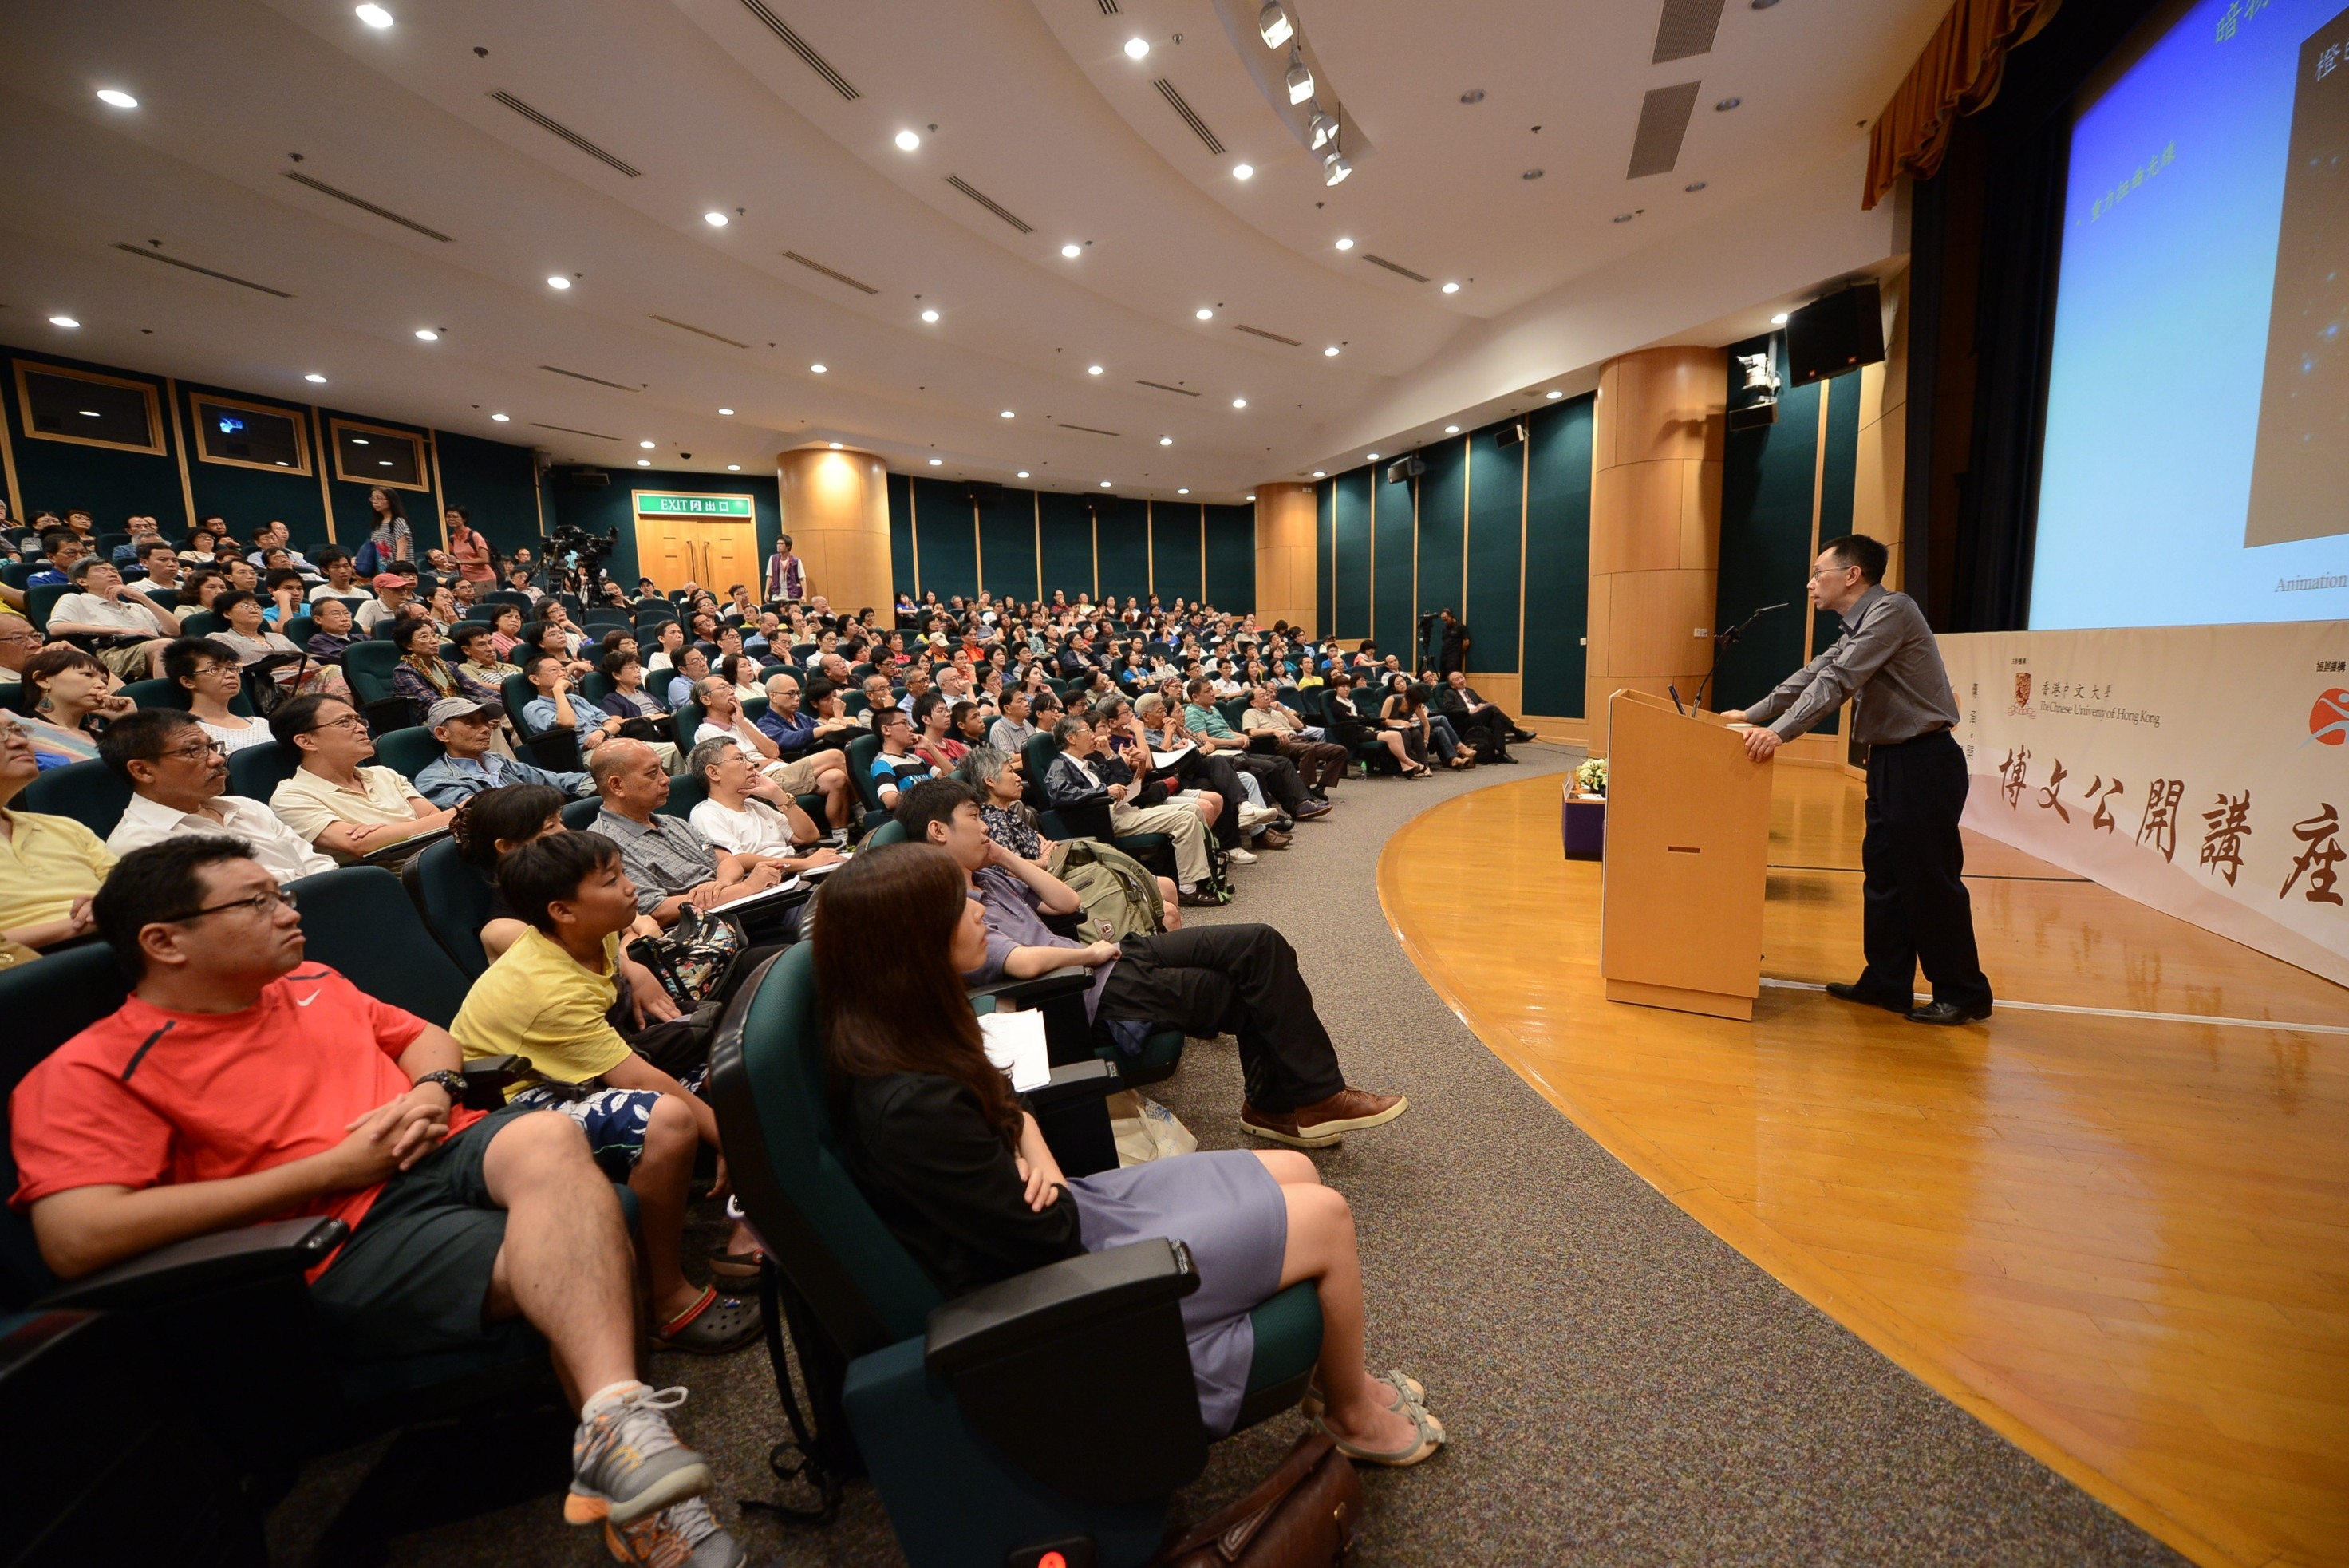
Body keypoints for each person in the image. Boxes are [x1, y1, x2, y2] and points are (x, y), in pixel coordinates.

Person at [8, 836, 743, 1563]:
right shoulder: (91, 1070)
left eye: (283, 894)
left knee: (551, 1138)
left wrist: (434, 1088)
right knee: (576, 1251)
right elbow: (77, 1235)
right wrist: (331, 1166)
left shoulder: (311, 980)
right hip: (339, 1229)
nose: (290, 912)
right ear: (166, 941)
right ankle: (651, 1498)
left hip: (448, 1150)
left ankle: (615, 1422)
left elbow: (426, 1037)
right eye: (258, 901)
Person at [816, 844, 1443, 1461]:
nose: (980, 906)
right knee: (1326, 1214)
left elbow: (1014, 1112)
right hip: (1066, 1281)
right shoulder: (910, 1105)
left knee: (1298, 1167)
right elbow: (1048, 1222)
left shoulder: (913, 1029)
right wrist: (1027, 1145)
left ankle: (1325, 1376)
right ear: (911, 942)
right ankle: (1351, 1411)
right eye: (959, 904)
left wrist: (1025, 1145)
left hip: (1074, 1213)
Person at [899, 780, 1405, 1147]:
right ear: (939, 831)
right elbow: (1022, 961)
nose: (986, 826)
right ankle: (1287, 1104)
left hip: (1110, 956)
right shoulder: (941, 904)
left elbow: (1067, 903)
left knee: (1259, 944)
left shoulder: (988, 878)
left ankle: (1297, 1100)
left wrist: (1006, 859)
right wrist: (1087, 953)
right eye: (975, 818)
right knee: (1240, 991)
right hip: (1081, 984)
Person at [449, 829, 764, 1354]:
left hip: (579, 1070)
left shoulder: (593, 933)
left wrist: (633, 966)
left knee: (735, 1070)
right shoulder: (546, 990)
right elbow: (639, 1081)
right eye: (612, 880)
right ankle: (661, 1298)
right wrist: (730, 1138)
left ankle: (746, 1228)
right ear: (563, 910)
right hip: (511, 1105)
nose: (631, 886)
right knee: (664, 1118)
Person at [1724, 534, 1992, 1026]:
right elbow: (1813, 674)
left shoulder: (1892, 611)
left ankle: (1964, 991)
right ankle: (1887, 983)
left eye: (1817, 573)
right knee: (1886, 877)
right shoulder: (1856, 625)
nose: (1810, 584)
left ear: (1852, 575)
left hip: (1924, 762)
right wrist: (1750, 713)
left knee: (1931, 882)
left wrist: (1778, 734)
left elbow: (1839, 681)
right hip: (1891, 762)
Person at [99, 708, 334, 881]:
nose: (217, 759)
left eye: (212, 747)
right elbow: (239, 905)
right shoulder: (141, 844)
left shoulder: (246, 808)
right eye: (194, 751)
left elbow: (320, 865)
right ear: (143, 770)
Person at [586, 739, 794, 929]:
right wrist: (746, 888)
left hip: (747, 906)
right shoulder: (604, 844)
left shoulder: (672, 822)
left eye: (662, 769)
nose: (666, 779)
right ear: (617, 785)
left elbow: (727, 860)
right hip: (711, 932)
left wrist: (722, 884)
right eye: (652, 773)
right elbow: (657, 911)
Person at [1038, 718, 1218, 902]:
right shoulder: (1060, 765)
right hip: (1104, 819)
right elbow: (1059, 795)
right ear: (1071, 738)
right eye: (1086, 730)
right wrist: (1104, 790)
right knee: (1185, 820)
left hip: (1124, 811)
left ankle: (1203, 874)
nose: (1093, 735)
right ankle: (1188, 889)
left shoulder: (1088, 765)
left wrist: (1109, 754)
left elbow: (1124, 781)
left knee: (1193, 808)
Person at [268, 694, 456, 863]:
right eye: (344, 722)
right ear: (307, 741)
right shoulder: (291, 797)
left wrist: (386, 833)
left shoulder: (384, 774)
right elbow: (363, 845)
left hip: (440, 862)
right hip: (393, 884)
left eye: (359, 720)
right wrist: (459, 813)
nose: (361, 728)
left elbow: (435, 818)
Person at [0, 716, 117, 962]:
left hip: (118, 946)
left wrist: (109, 910)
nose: (19, 742)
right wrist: (82, 924)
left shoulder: (65, 826)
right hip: (26, 974)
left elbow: (134, 894)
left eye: (18, 730)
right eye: (1, 735)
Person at [693, 676, 851, 831]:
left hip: (777, 770)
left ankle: (841, 837)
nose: (731, 691)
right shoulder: (707, 732)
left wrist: (741, 723)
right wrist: (768, 761)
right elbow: (738, 766)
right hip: (760, 779)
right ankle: (862, 809)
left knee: (836, 778)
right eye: (723, 687)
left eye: (730, 687)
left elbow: (773, 751)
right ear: (706, 700)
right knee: (835, 756)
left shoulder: (743, 721)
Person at [683, 737, 843, 871]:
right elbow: (736, 860)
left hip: (795, 868)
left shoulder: (755, 805)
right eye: (740, 759)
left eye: (747, 758)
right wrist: (806, 863)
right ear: (713, 772)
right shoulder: (706, 814)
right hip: (774, 887)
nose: (751, 765)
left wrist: (778, 795)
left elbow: (809, 836)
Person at [415, 697, 591, 807]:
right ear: (442, 733)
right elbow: (488, 813)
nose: (485, 729)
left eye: (485, 721)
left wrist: (603, 779)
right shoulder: (433, 778)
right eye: (471, 722)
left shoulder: (498, 761)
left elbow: (555, 780)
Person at [46, 556, 180, 679]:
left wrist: (142, 597)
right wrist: (119, 630)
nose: (113, 574)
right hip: (111, 652)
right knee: (164, 646)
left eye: (114, 571)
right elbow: (57, 628)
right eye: (102, 570)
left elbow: (175, 630)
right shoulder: (75, 600)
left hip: (150, 645)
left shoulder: (136, 607)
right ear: (82, 580)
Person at [162, 637, 273, 756]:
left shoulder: (263, 724)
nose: (230, 675)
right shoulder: (187, 732)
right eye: (215, 669)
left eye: (232, 668)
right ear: (188, 682)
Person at [866, 707, 936, 812]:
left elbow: (950, 777)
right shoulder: (883, 762)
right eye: (904, 723)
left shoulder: (916, 759)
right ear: (886, 730)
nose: (911, 729)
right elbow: (890, 800)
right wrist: (931, 794)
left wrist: (930, 747)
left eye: (909, 724)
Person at [357, 486, 412, 574]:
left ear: (390, 500)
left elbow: (402, 549)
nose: (375, 502)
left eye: (379, 498)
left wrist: (399, 572)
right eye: (373, 498)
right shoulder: (377, 524)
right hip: (381, 571)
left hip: (397, 571)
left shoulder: (398, 521)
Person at [446, 505, 497, 586]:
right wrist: (453, 566)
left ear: (464, 519)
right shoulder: (452, 539)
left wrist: (459, 561)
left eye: (455, 517)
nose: (451, 519)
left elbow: (485, 559)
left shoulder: (474, 536)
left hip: (483, 579)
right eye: (448, 517)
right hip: (466, 580)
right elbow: (457, 560)